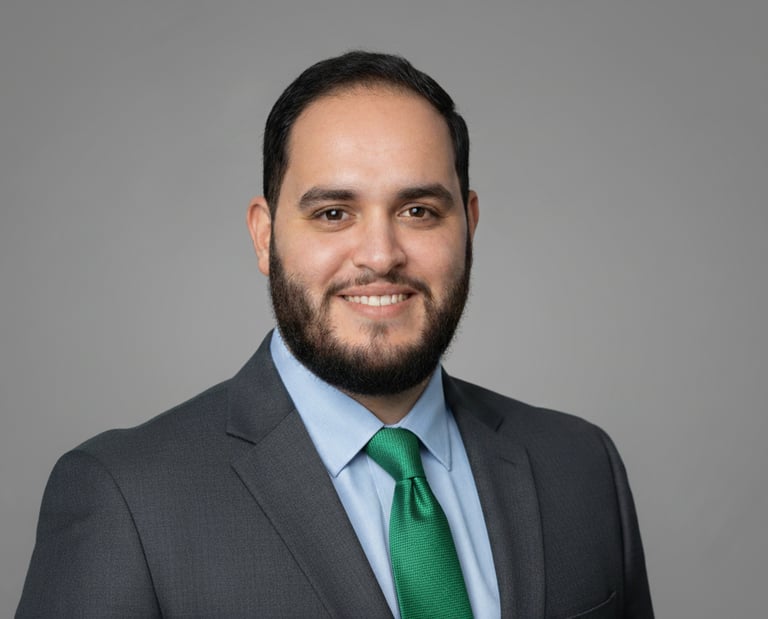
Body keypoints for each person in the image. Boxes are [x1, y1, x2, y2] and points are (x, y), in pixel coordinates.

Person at [17, 51, 653, 618]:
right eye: (333, 213)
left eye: (418, 211)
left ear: (469, 224)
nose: (380, 254)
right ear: (265, 236)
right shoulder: (126, 499)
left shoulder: (580, 465)